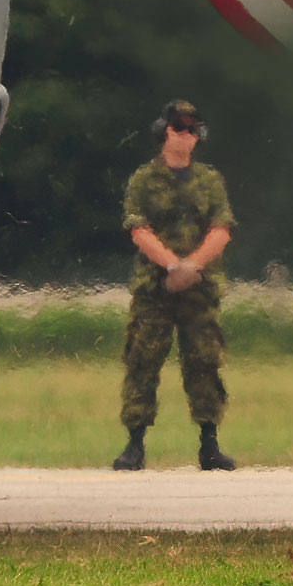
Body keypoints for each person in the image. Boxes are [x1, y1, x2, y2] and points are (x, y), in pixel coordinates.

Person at [112, 99, 238, 472]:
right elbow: (138, 229)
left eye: (192, 130)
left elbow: (222, 229)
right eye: (178, 128)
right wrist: (171, 265)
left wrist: (192, 266)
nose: (185, 135)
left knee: (205, 362)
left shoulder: (210, 181)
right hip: (155, 288)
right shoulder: (144, 180)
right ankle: (134, 444)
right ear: (163, 132)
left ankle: (209, 444)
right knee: (142, 361)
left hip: (199, 288)